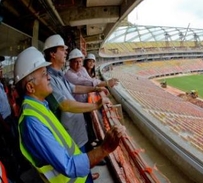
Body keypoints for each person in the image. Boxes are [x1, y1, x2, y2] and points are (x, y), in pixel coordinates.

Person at [14, 46, 125, 183]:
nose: (48, 77)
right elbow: (68, 166)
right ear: (30, 87)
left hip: (79, 175)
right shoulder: (32, 122)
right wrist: (104, 148)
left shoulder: (40, 107)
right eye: (44, 74)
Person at [43, 34, 108, 175]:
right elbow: (65, 105)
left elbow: (75, 88)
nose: (66, 51)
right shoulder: (49, 78)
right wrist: (96, 105)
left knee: (83, 161)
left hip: (77, 131)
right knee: (76, 164)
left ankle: (88, 174)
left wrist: (97, 88)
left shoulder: (59, 74)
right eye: (62, 49)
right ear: (52, 53)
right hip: (69, 134)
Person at [64, 49, 118, 149]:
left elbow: (91, 80)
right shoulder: (68, 74)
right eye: (75, 61)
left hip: (86, 102)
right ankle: (89, 145)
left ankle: (92, 140)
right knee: (83, 126)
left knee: (89, 122)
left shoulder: (83, 70)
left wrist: (99, 86)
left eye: (80, 61)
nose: (78, 64)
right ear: (70, 62)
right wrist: (105, 83)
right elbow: (84, 82)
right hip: (78, 105)